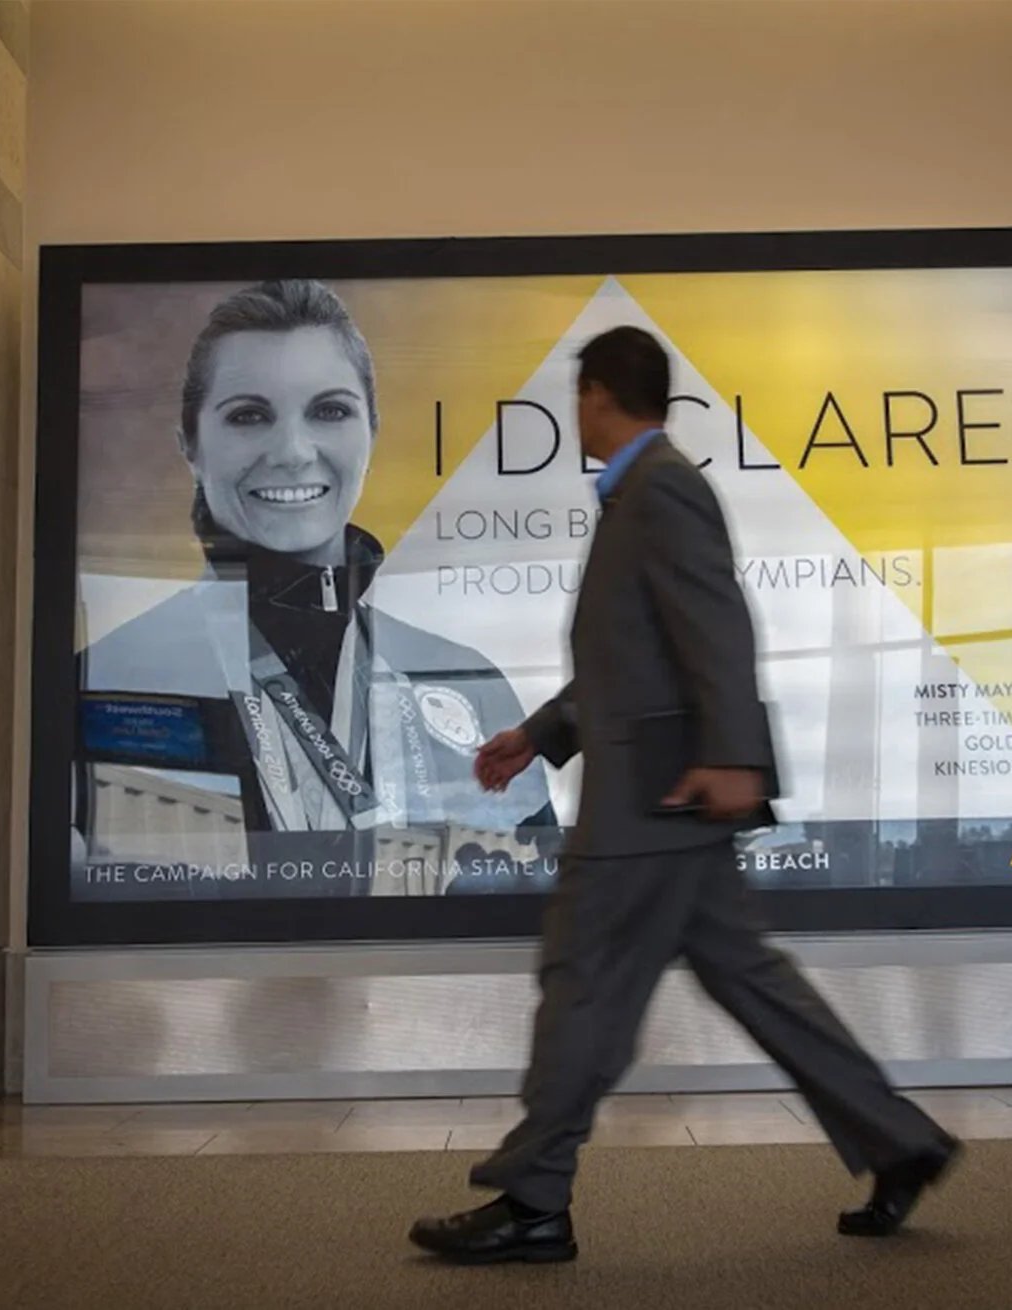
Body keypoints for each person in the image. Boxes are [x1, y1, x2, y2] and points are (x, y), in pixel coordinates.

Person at [409, 326, 959, 1264]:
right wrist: (538, 735)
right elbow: (633, 660)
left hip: (649, 806)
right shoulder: (639, 493)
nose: (576, 412)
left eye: (579, 397)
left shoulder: (661, 487)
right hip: (671, 799)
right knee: (752, 982)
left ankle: (533, 1200)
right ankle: (899, 1142)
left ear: (598, 394)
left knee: (581, 982)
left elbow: (718, 625)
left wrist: (736, 759)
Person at [73, 279, 557, 892]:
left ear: (372, 430)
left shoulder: (465, 680)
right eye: (249, 416)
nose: (294, 451)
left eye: (329, 411)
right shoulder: (110, 675)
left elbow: (537, 890)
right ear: (189, 445)